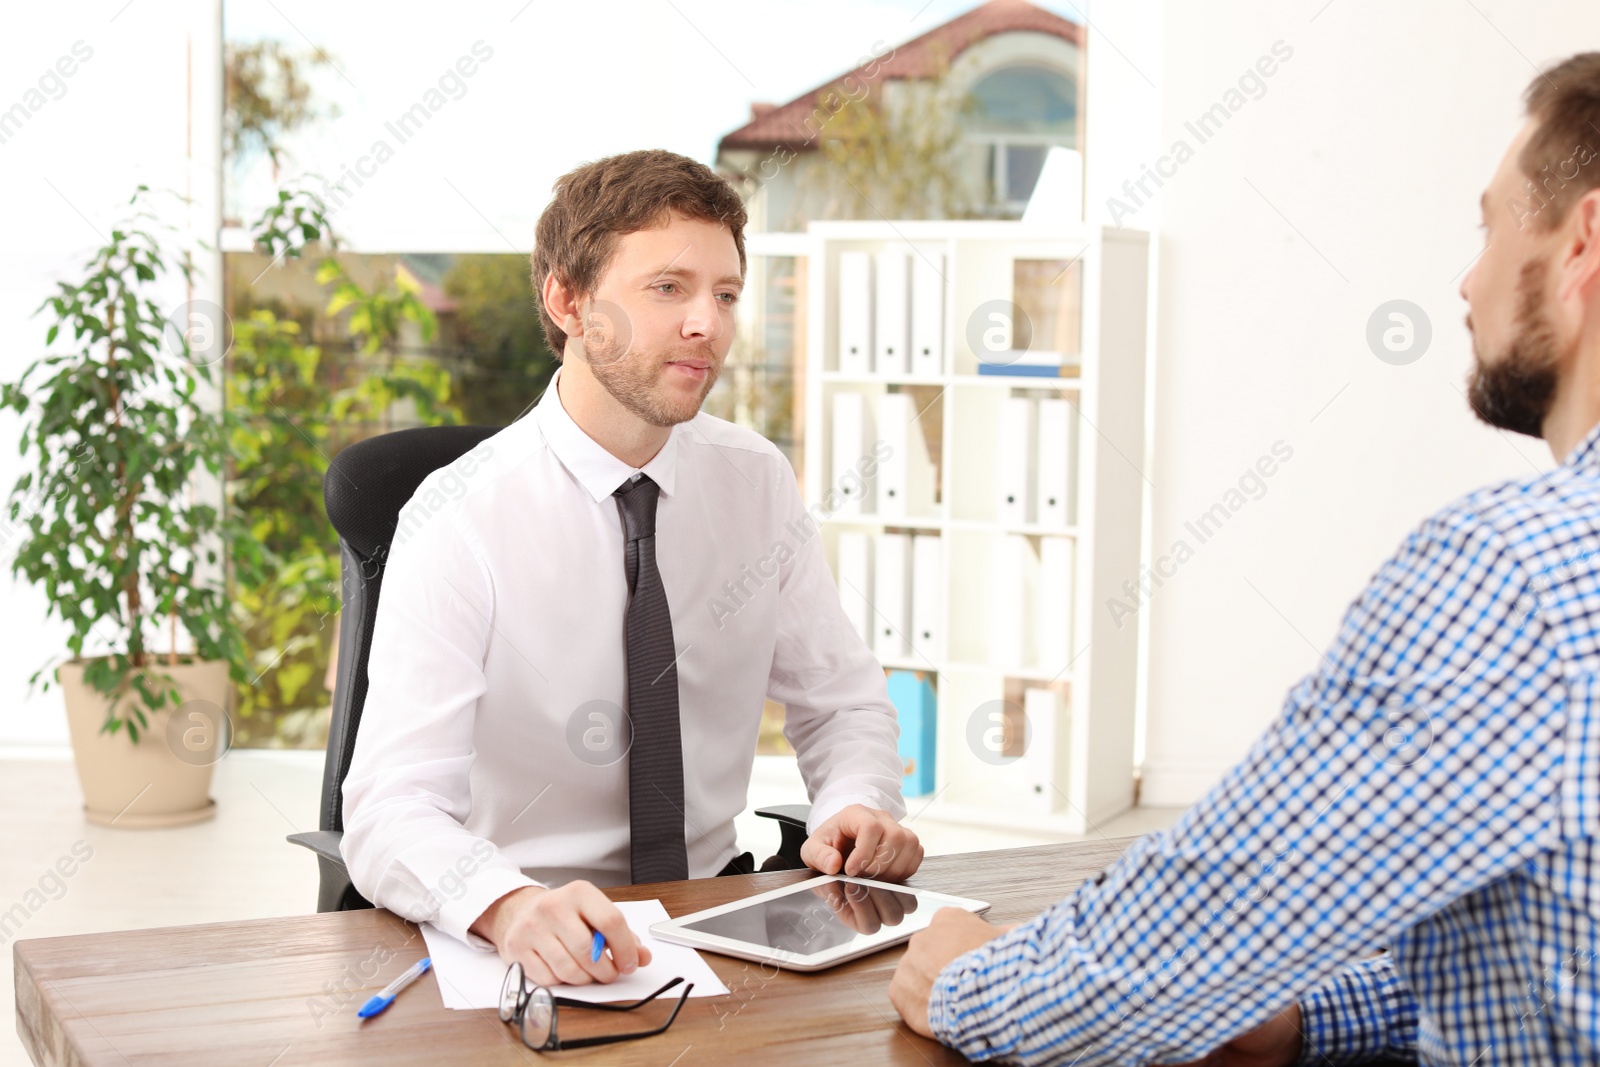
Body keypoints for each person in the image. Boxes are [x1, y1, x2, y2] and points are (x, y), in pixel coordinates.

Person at [890, 53, 1600, 1066]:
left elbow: (1178, 942)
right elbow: (1551, 950)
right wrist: (1305, 1012)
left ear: (1582, 244)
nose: (1467, 277)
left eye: (1489, 226)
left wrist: (965, 975)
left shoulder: (1515, 574)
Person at [341, 149, 922, 989]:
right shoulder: (457, 516)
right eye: (669, 288)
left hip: (718, 921)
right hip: (532, 932)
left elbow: (841, 704)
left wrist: (855, 805)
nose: (708, 324)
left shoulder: (754, 482)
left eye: (725, 294)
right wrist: (503, 904)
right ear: (568, 301)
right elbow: (388, 807)